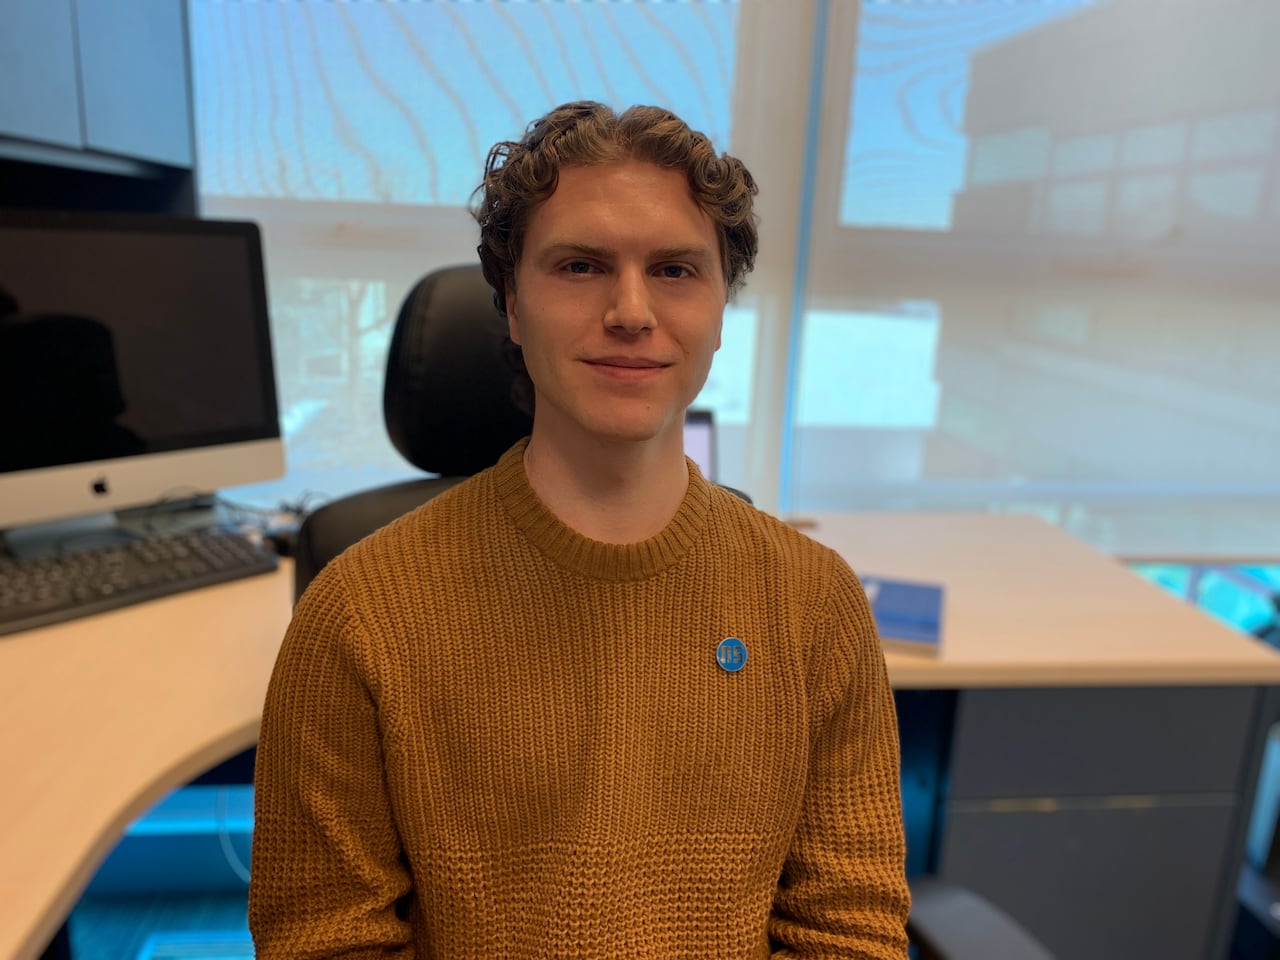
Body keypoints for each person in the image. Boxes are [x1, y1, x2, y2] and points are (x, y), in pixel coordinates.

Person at [249, 101, 910, 958]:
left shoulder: (815, 604)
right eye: (582, 266)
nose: (632, 310)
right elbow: (321, 939)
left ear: (719, 311)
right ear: (514, 307)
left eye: (675, 270)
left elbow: (847, 931)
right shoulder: (360, 614)